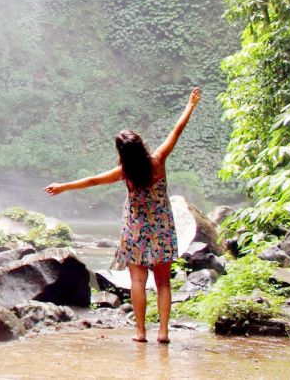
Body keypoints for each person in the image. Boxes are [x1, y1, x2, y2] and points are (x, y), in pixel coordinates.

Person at [43, 87, 201, 344]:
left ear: (123, 153)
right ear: (141, 146)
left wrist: (63, 186)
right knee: (163, 283)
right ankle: (163, 333)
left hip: (136, 230)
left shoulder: (125, 172)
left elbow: (93, 181)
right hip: (161, 227)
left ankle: (140, 333)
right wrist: (190, 105)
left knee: (137, 280)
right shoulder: (158, 160)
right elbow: (177, 130)